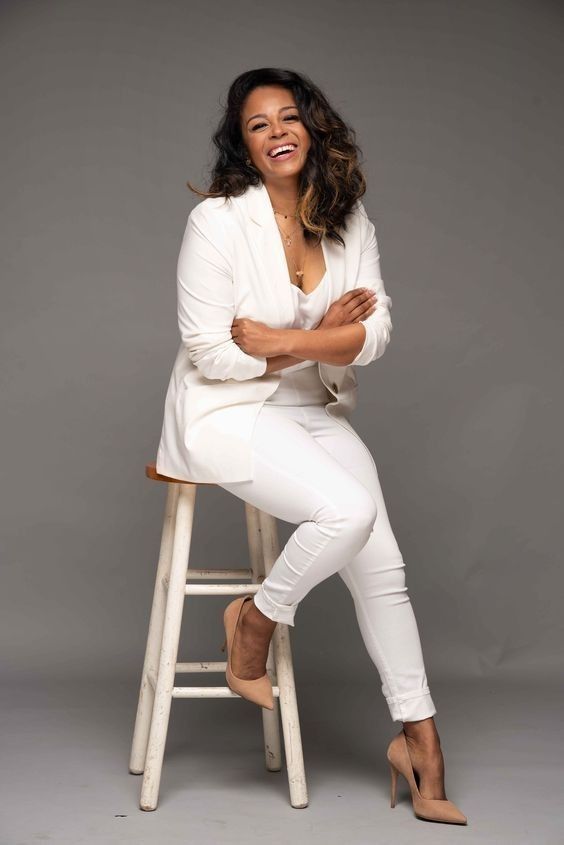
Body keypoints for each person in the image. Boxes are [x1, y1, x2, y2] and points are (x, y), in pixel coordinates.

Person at [156, 67, 467, 825]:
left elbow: (375, 336)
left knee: (381, 561)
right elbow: (210, 351)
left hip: (313, 409)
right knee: (349, 509)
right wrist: (325, 337)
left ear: (313, 127)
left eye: (288, 117)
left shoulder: (348, 219)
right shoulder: (219, 223)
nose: (277, 132)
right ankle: (254, 623)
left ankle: (419, 741)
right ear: (244, 144)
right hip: (227, 411)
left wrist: (288, 341)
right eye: (258, 125)